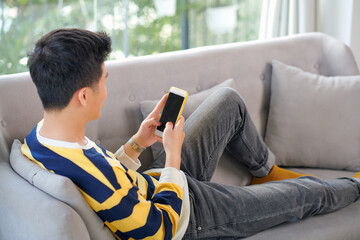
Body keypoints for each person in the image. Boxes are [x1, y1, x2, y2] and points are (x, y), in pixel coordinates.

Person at [21, 28, 360, 240]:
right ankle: (356, 185)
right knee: (305, 195)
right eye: (104, 80)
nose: (106, 89)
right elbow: (159, 231)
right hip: (190, 218)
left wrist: (137, 143)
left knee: (228, 102)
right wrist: (172, 156)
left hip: (161, 186)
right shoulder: (87, 172)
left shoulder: (43, 137)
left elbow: (110, 176)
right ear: (83, 95)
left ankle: (265, 172)